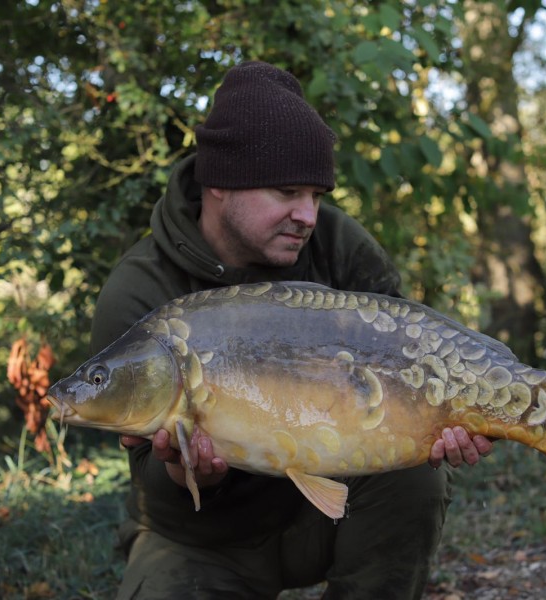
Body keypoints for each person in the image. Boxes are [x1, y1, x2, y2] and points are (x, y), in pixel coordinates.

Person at [90, 60, 494, 600]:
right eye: (286, 193)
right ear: (219, 184)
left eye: (317, 195)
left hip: (330, 514)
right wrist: (195, 474)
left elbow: (412, 363)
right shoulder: (140, 291)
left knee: (415, 478)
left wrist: (447, 420)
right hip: (204, 541)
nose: (307, 215)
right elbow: (153, 497)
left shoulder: (336, 245)